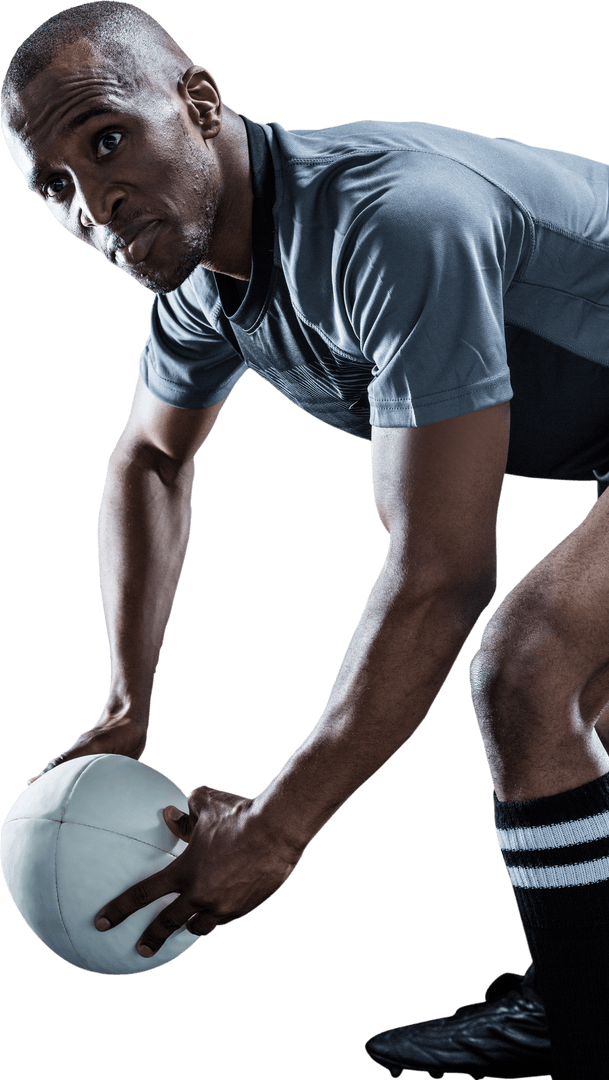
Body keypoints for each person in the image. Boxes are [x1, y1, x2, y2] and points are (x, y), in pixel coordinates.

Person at [3, 3, 609, 1078]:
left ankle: (586, 1022)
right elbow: (150, 461)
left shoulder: (394, 223)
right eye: (54, 187)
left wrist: (278, 830)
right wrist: (125, 702)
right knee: (577, 746)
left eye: (105, 141)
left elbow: (440, 575)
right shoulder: (202, 284)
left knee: (530, 669)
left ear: (196, 103)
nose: (96, 205)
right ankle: (585, 987)